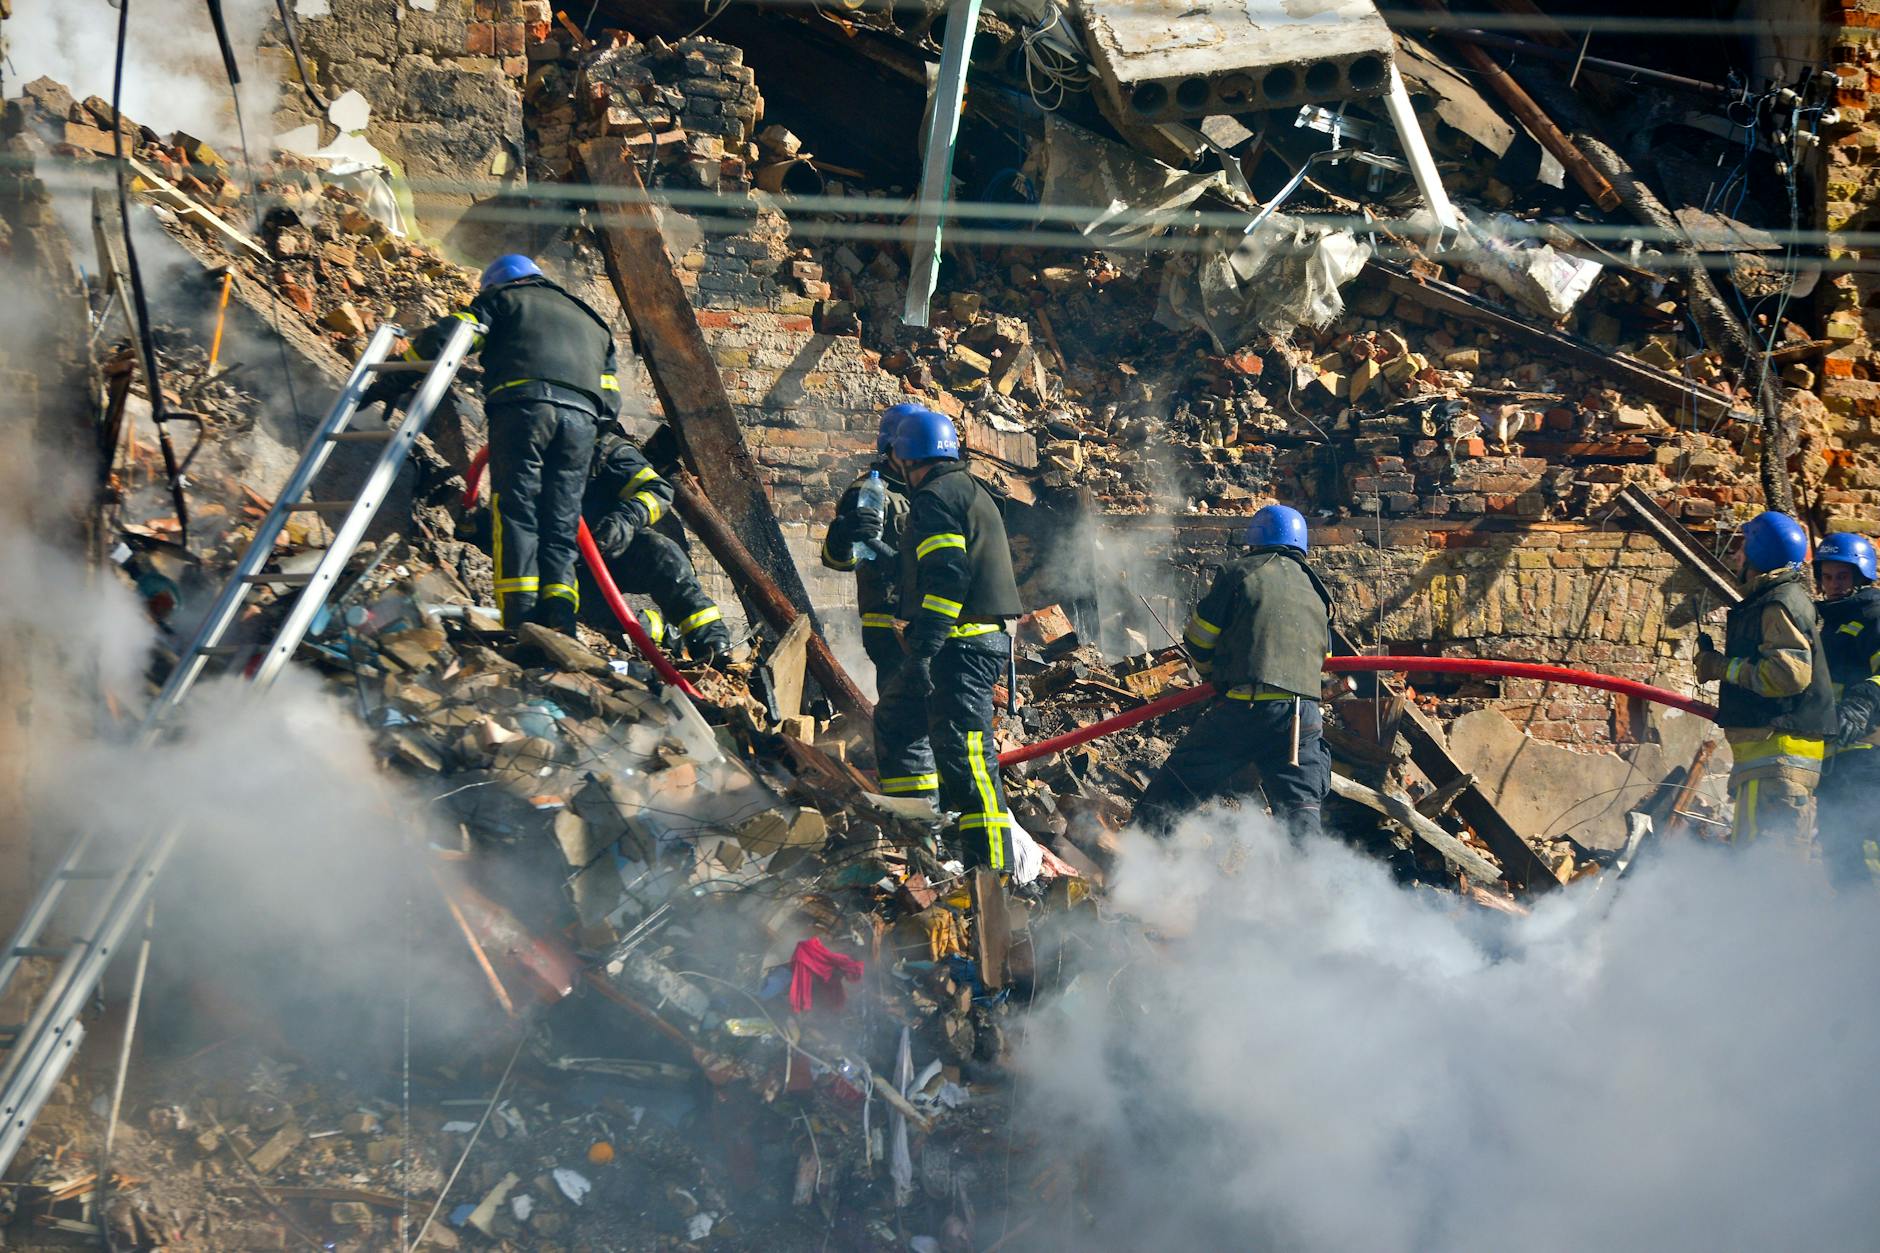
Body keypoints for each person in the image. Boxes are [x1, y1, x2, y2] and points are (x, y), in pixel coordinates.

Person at [387, 254, 619, 634]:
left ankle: (520, 618)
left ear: (500, 282)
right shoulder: (592, 321)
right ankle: (561, 621)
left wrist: (400, 374)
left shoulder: (503, 299)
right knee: (561, 519)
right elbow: (610, 401)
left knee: (517, 508)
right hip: (582, 425)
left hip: (524, 409)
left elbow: (455, 336)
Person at [1134, 504, 1333, 839]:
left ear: (1254, 541)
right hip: (1303, 716)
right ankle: (1312, 884)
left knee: (1181, 781)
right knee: (1301, 813)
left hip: (1247, 708)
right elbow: (1324, 656)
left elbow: (1198, 638)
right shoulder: (1318, 591)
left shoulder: (1238, 574)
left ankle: (1132, 855)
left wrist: (1212, 674)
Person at [890, 408, 1021, 869]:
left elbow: (947, 577)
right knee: (925, 737)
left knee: (969, 759)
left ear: (904, 459)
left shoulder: (934, 498)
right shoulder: (969, 489)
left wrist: (924, 647)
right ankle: (935, 851)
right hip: (974, 641)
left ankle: (992, 875)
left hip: (962, 646)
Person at [1694, 510, 1837, 849]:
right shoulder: (1774, 599)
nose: (1737, 555)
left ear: (1759, 553)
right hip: (1769, 761)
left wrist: (1720, 667)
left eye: (1743, 548)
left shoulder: (1778, 603)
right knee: (1753, 864)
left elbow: (1787, 675)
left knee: (1767, 867)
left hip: (1777, 759)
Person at [822, 404, 935, 804]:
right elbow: (839, 560)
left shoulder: (933, 488)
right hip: (890, 627)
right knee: (907, 722)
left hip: (935, 625)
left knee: (934, 719)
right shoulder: (869, 492)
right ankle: (915, 812)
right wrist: (845, 532)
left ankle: (936, 805)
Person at [579, 427, 732, 664]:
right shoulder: (528, 454)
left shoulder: (606, 448)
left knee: (662, 553)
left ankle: (712, 643)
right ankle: (669, 638)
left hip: (611, 553)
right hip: (564, 570)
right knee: (607, 623)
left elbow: (657, 490)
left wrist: (624, 521)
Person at [1813, 532, 1880, 883]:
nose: (1833, 585)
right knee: (1839, 851)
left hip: (1871, 758)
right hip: (1836, 760)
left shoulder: (1874, 617)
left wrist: (1861, 702)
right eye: (1826, 577)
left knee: (1869, 847)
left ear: (1861, 576)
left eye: (1842, 576)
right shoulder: (1830, 627)